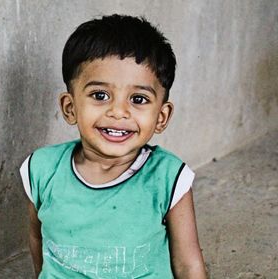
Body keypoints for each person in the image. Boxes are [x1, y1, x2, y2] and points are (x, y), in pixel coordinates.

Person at [20, 14, 207, 278]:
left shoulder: (167, 177)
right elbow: (37, 239)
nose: (119, 112)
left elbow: (188, 264)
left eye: (139, 99)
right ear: (70, 107)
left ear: (161, 117)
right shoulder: (41, 170)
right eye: (100, 95)